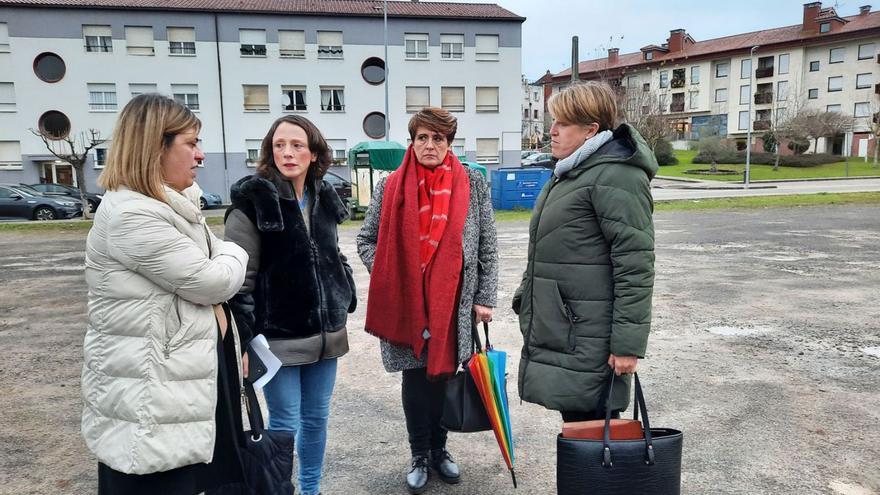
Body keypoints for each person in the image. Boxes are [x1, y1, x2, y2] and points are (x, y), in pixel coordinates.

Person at [81, 93, 249, 495]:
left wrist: (221, 255)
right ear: (155, 147)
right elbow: (214, 280)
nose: (201, 155)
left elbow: (210, 263)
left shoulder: (172, 206)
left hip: (173, 394)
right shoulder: (133, 214)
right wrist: (239, 250)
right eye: (191, 143)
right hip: (151, 404)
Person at [356, 107, 498, 494]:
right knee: (415, 381)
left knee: (444, 377)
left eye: (438, 138)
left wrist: (485, 296)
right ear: (412, 141)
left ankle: (440, 450)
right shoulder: (391, 186)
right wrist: (390, 275)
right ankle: (419, 453)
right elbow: (366, 240)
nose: (430, 145)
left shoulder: (473, 182)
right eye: (422, 138)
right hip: (407, 304)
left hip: (453, 302)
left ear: (450, 143)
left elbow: (487, 242)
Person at [224, 114, 356, 495]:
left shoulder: (324, 197)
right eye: (279, 145)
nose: (288, 152)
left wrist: (344, 291)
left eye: (297, 145)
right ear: (269, 151)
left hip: (327, 336)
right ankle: (284, 490)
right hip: (277, 340)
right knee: (286, 422)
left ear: (314, 153)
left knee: (316, 419)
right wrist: (246, 339)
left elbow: (332, 253)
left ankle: (311, 490)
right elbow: (238, 281)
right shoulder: (254, 201)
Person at [513, 81, 657, 423]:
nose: (552, 131)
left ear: (591, 129)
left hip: (590, 334)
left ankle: (596, 481)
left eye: (563, 123)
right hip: (567, 329)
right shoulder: (571, 173)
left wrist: (627, 344)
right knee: (580, 432)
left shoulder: (616, 176)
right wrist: (527, 295)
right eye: (554, 122)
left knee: (595, 435)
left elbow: (635, 263)